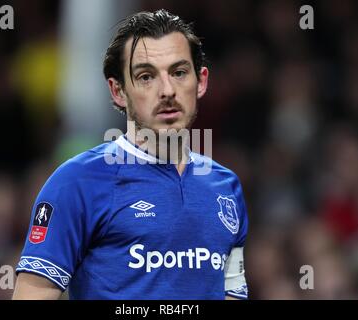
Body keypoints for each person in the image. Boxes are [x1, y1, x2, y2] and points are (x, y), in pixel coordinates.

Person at [13, 9, 249, 300]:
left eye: (178, 72)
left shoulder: (227, 187)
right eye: (146, 76)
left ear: (200, 81)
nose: (167, 90)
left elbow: (232, 294)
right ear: (118, 91)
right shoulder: (76, 183)